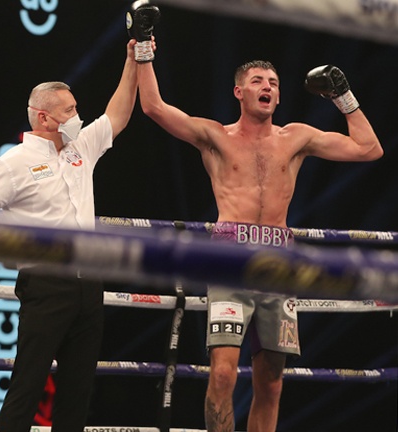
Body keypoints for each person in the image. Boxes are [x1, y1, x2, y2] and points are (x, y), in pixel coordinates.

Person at [136, 40, 383, 432]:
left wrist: (343, 95)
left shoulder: (296, 137)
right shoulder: (216, 136)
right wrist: (142, 51)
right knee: (222, 375)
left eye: (273, 81)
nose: (267, 86)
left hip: (279, 265)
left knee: (271, 382)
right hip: (229, 264)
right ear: (239, 91)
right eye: (257, 80)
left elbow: (369, 149)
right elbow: (153, 107)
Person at [0, 37, 138, 431]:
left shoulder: (80, 147)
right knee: (27, 385)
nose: (77, 116)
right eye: (70, 110)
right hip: (46, 284)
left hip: (90, 283)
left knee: (77, 391)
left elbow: (118, 113)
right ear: (44, 118)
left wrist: (134, 60)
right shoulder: (12, 164)